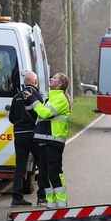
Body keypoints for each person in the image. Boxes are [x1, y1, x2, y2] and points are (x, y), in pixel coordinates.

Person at [27, 72, 71, 208]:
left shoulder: (61, 99)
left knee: (54, 174)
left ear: (61, 84)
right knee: (44, 175)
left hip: (54, 142)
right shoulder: (50, 98)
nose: (51, 79)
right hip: (44, 141)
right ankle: (51, 203)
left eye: (55, 78)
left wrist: (33, 101)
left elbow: (45, 113)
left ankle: (62, 204)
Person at [9, 71, 46, 207]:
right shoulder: (36, 95)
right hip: (33, 135)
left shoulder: (16, 97)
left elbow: (11, 118)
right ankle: (41, 197)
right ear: (35, 82)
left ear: (25, 82)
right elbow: (41, 114)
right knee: (41, 164)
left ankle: (16, 198)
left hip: (19, 135)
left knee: (20, 166)